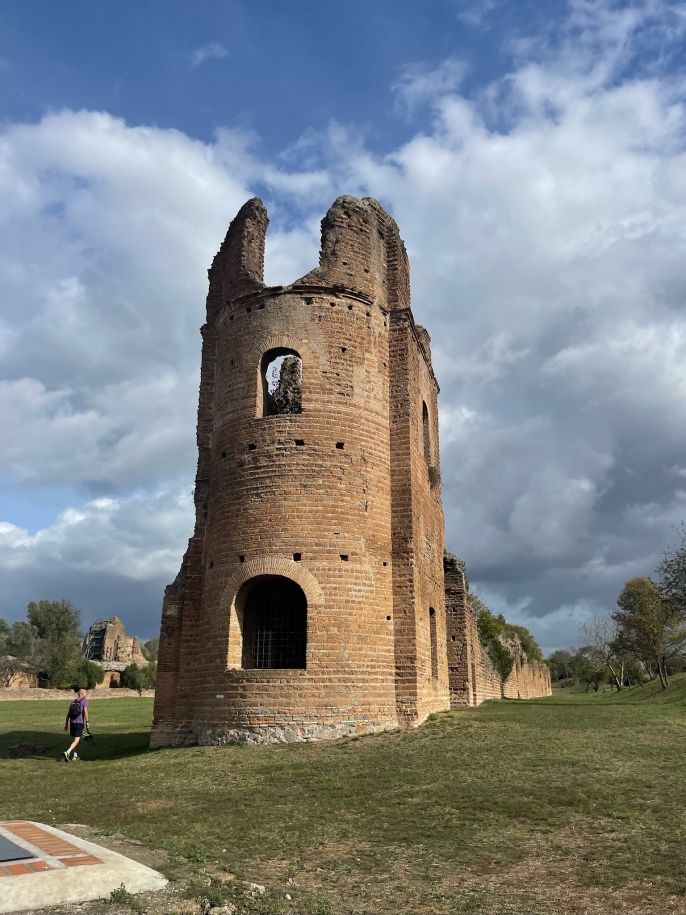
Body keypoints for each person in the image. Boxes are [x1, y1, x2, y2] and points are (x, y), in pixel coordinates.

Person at [63, 688, 89, 762]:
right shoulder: (84, 701)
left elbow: (68, 714)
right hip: (79, 723)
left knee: (75, 740)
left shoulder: (73, 702)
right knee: (77, 740)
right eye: (86, 693)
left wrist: (66, 724)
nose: (86, 694)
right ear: (82, 693)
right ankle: (67, 752)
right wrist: (87, 721)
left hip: (72, 723)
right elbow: (85, 711)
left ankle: (75, 756)